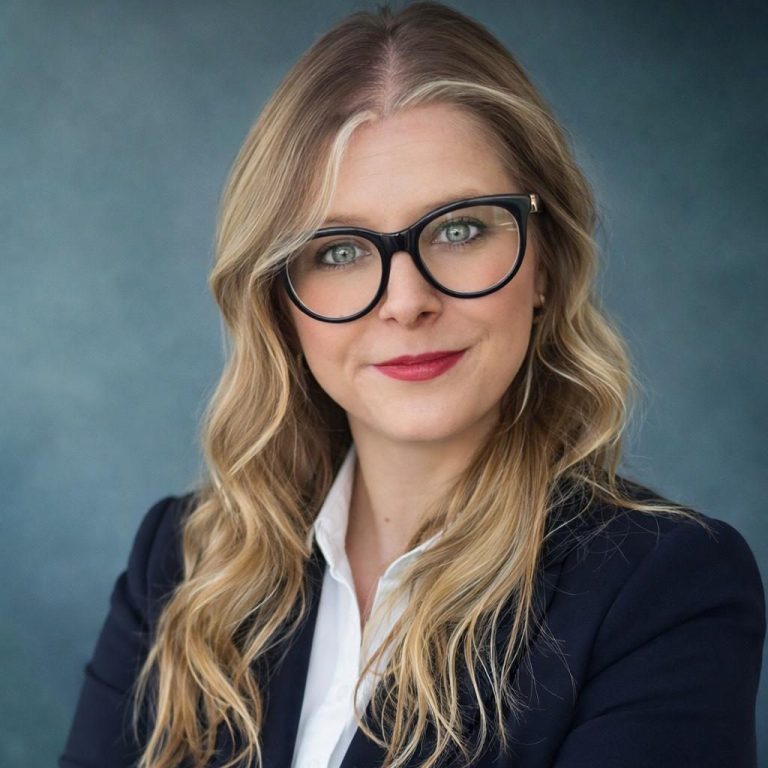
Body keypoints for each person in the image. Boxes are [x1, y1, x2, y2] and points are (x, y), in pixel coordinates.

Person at [59, 3, 765, 767]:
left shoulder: (663, 590)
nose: (406, 301)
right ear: (279, 301)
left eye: (459, 229)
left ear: (545, 262)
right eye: (338, 251)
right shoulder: (182, 564)